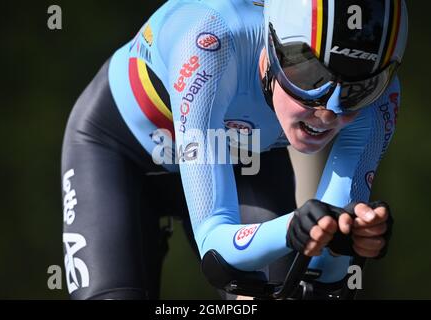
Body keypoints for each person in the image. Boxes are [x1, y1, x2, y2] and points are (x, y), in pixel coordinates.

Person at [61, 0, 408, 300]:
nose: (328, 111)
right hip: (120, 153)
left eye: (357, 91)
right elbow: (217, 249)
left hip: (244, 156)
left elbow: (320, 282)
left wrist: (345, 239)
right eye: (311, 78)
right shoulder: (211, 43)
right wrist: (292, 229)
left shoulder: (381, 98)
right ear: (270, 52)